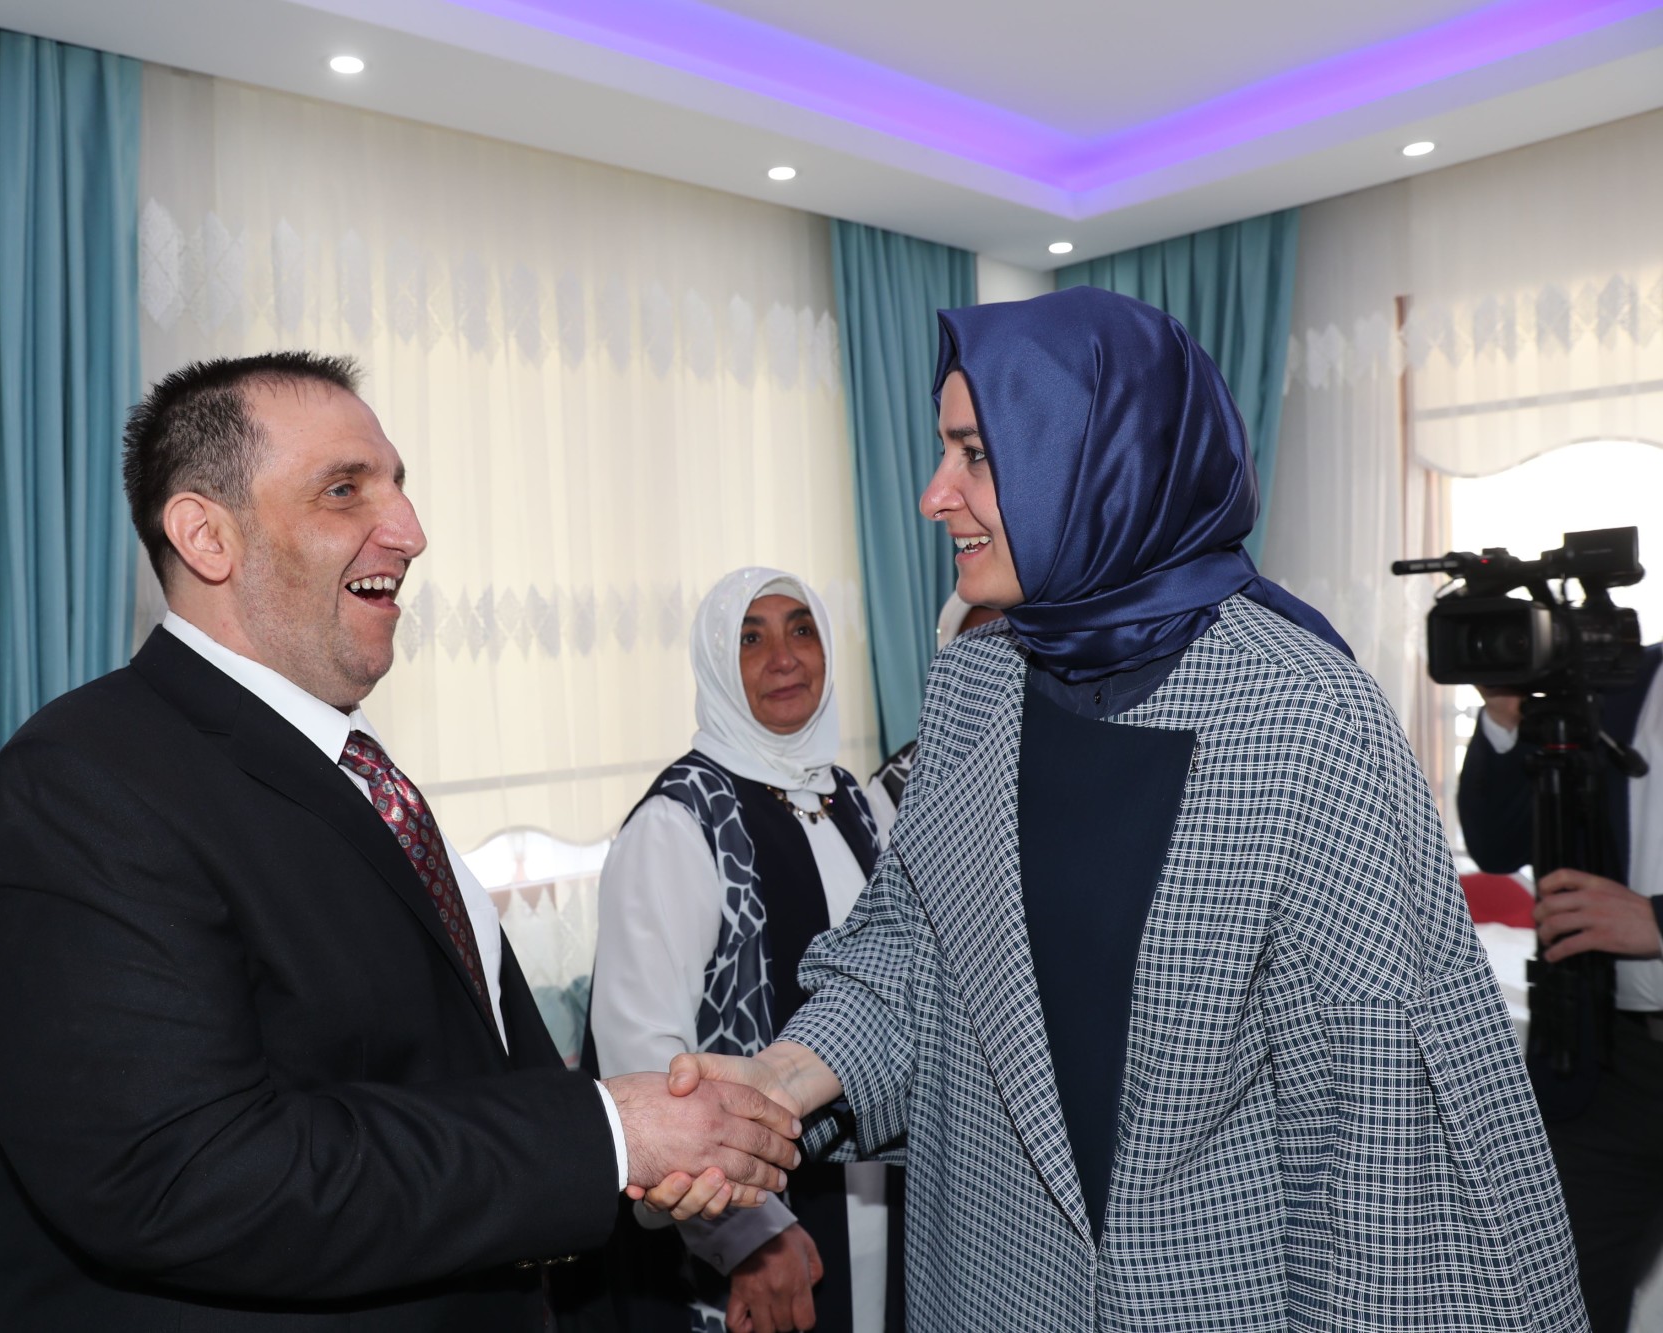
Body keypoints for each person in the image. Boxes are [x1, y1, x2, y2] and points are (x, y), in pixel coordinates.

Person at [653, 287, 1587, 1330]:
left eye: (974, 455)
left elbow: (1377, 1134)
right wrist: (773, 1083)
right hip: (987, 1292)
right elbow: (905, 962)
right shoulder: (972, 687)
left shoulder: (1302, 712)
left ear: (1097, 461)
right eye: (942, 450)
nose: (932, 494)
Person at [0, 351, 801, 1330]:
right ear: (206, 536)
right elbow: (188, 1173)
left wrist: (638, 1146)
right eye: (344, 489)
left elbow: (450, 1073)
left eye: (399, 486)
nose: (410, 532)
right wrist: (605, 1133)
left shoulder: (354, 768)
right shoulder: (78, 786)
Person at [591, 567, 901, 1333]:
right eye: (750, 639)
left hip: (879, 1200)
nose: (783, 658)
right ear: (715, 666)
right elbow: (645, 1058)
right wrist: (749, 1236)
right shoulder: (678, 823)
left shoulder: (854, 802)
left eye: (802, 630)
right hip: (761, 1221)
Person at [1460, 649, 1663, 1333]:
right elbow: (1497, 844)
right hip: (1608, 1062)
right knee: (1556, 1300)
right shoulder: (1614, 681)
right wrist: (1505, 715)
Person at [864, 592, 1003, 843]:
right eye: (974, 655)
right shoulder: (896, 785)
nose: (991, 673)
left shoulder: (1057, 756)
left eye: (1008, 651)